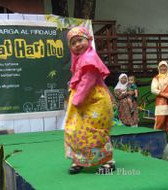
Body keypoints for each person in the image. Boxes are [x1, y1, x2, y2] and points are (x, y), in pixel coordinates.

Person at [64, 26, 115, 174]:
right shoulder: (80, 59)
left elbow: (88, 81)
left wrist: (77, 100)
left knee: (95, 131)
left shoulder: (89, 58)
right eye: (73, 43)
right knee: (76, 130)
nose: (77, 45)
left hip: (93, 101)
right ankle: (79, 160)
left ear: (88, 40)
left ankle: (107, 161)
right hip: (83, 101)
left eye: (80, 40)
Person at [151, 61, 168, 140]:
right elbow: (153, 90)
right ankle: (155, 140)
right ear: (159, 68)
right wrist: (165, 94)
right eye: (161, 66)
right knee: (159, 122)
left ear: (167, 68)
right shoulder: (156, 78)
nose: (163, 68)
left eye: (165, 66)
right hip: (161, 103)